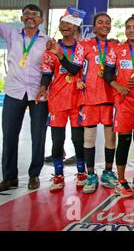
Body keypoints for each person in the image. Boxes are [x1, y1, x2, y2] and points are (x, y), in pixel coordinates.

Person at [54, 12, 118, 194]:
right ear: (94, 26)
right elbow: (74, 69)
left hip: (110, 98)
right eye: (100, 22)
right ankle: (91, 174)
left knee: (110, 138)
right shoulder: (84, 45)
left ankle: (107, 171)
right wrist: (60, 56)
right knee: (88, 139)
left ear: (111, 26)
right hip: (89, 98)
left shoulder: (115, 46)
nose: (104, 25)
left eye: (107, 22)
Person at [0, 4, 49, 192]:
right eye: (26, 14)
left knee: (38, 136)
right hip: (14, 91)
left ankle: (34, 175)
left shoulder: (47, 41)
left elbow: (49, 67)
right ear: (21, 18)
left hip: (38, 93)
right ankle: (9, 177)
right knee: (10, 135)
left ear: (41, 21)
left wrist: (45, 87)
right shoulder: (12, 34)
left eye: (34, 14)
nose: (30, 17)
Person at [104, 15, 134, 197]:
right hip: (124, 103)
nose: (131, 30)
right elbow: (108, 73)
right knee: (124, 142)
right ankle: (121, 180)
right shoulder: (116, 49)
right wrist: (118, 86)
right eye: (128, 27)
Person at [37, 17, 86, 192]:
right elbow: (47, 73)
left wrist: (60, 54)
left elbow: (74, 69)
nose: (65, 27)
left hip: (77, 100)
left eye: (69, 24)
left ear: (76, 28)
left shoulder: (81, 49)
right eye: (62, 23)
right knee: (57, 142)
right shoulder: (50, 49)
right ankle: (58, 175)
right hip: (57, 101)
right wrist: (43, 88)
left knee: (78, 140)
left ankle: (81, 172)